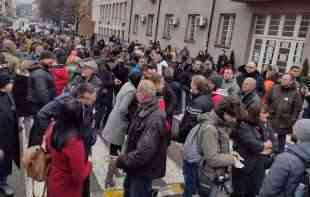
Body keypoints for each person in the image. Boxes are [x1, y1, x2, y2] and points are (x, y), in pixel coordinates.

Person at [107, 80, 169, 197]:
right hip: (135, 167)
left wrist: (121, 160)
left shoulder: (154, 117)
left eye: (137, 92)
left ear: (142, 94)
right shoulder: (143, 108)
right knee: (128, 191)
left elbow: (144, 152)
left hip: (142, 170)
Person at [183, 97, 243, 197]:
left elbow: (215, 147)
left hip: (208, 172)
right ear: (224, 112)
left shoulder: (219, 123)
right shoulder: (210, 129)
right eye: (232, 116)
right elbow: (212, 159)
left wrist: (230, 154)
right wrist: (232, 159)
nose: (234, 119)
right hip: (206, 174)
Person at [45, 99, 92, 197]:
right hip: (67, 188)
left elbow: (47, 148)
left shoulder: (52, 127)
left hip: (54, 178)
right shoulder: (74, 142)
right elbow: (78, 177)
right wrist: (89, 165)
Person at [231, 105, 273, 197]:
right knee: (239, 192)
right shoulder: (243, 125)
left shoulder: (263, 124)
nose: (268, 115)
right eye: (264, 113)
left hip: (257, 167)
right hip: (244, 167)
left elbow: (272, 142)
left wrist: (264, 147)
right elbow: (252, 143)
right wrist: (263, 146)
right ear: (256, 115)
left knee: (252, 191)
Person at [102, 71, 143, 157]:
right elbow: (123, 108)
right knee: (116, 148)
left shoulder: (127, 84)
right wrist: (129, 118)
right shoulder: (131, 91)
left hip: (115, 117)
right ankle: (114, 167)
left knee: (114, 146)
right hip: (119, 122)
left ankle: (113, 163)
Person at [265, 74, 302, 153]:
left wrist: (291, 122)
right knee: (267, 138)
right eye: (282, 79)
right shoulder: (275, 88)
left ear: (291, 82)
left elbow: (296, 110)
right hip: (271, 118)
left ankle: (279, 155)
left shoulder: (295, 94)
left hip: (284, 122)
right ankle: (266, 154)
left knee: (281, 141)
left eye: (285, 79)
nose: (282, 80)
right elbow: (267, 100)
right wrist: (266, 111)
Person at [0, 72, 20, 196]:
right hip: (1, 141)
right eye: (9, 82)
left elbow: (12, 110)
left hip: (9, 138)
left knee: (6, 162)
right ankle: (2, 184)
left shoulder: (8, 95)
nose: (12, 84)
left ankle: (3, 182)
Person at [179, 75, 214, 143]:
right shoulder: (208, 97)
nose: (190, 85)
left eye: (191, 83)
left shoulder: (197, 103)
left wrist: (181, 133)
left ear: (195, 86)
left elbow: (190, 123)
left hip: (193, 138)